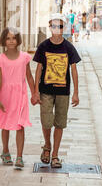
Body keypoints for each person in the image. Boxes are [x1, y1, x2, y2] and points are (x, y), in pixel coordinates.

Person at [32, 13, 81, 168]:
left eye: (59, 26)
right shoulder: (43, 46)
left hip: (63, 92)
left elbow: (74, 70)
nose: (56, 29)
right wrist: (35, 91)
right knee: (46, 122)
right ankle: (47, 146)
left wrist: (76, 93)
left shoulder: (68, 47)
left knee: (59, 123)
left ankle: (55, 155)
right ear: (50, 27)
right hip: (45, 90)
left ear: (63, 27)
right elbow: (38, 69)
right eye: (53, 26)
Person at [0, 27, 35, 168]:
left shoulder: (24, 58)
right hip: (5, 95)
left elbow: (29, 76)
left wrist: (34, 93)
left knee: (20, 125)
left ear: (18, 40)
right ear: (4, 40)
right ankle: (5, 151)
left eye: (14, 38)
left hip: (20, 94)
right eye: (8, 38)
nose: (11, 41)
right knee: (5, 125)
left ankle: (20, 157)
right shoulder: (0, 59)